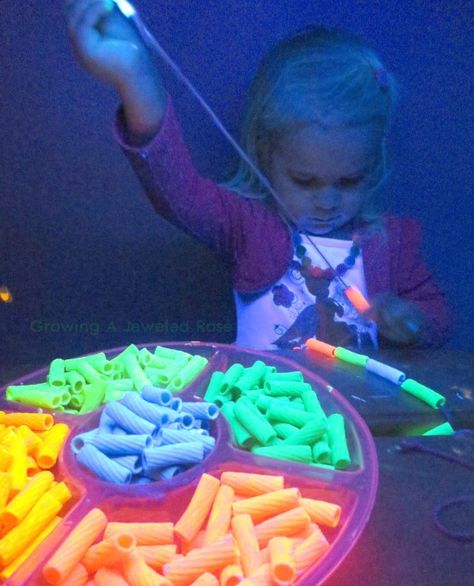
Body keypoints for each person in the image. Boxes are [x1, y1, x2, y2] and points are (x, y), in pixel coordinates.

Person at [66, 0, 452, 350]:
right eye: (304, 180)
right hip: (265, 416)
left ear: (373, 163)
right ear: (264, 157)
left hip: (366, 415)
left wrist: (412, 321)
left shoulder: (393, 241)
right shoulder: (248, 225)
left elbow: (437, 316)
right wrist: (136, 77)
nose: (328, 201)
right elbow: (176, 191)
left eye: (349, 181)